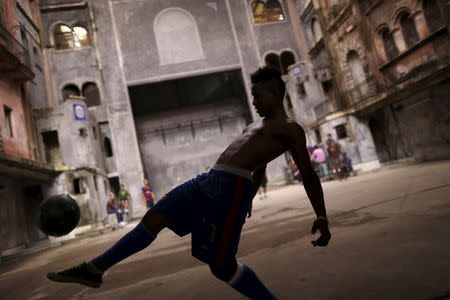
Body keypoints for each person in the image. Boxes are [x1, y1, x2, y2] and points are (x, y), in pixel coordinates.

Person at [47, 67, 331, 299]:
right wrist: (251, 198)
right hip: (208, 180)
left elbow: (307, 173)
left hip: (229, 189)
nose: (254, 101)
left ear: (276, 94)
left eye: (258, 96)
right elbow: (260, 167)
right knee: (154, 217)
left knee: (221, 266)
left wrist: (321, 215)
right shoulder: (252, 126)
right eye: (252, 95)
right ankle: (95, 268)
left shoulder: (290, 129)